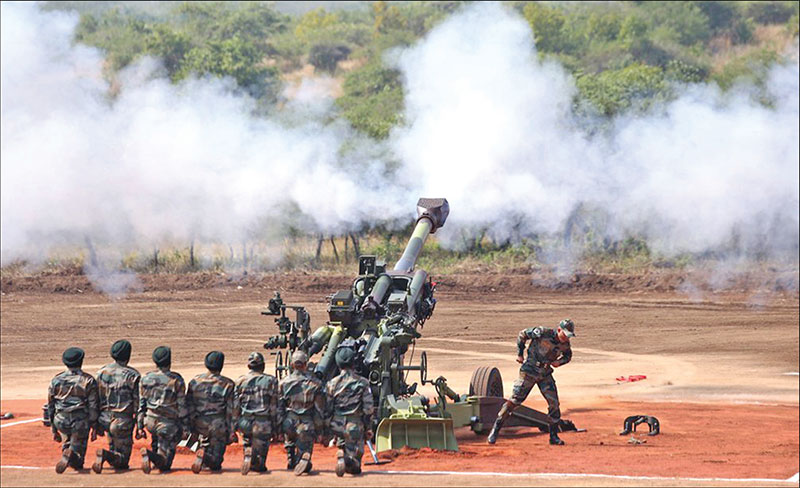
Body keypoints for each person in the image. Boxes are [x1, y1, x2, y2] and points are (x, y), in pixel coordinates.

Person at [487, 319, 576, 446]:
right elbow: (522, 334)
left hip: (545, 374)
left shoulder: (565, 344)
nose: (566, 338)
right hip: (529, 371)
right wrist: (520, 354)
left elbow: (568, 356)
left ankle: (553, 436)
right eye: (565, 335)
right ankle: (495, 430)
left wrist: (559, 362)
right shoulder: (542, 332)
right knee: (514, 401)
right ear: (559, 330)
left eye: (569, 336)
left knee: (554, 404)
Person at [48, 347, 99, 473]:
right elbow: (93, 405)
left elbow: (51, 405)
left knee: (67, 442)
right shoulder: (88, 380)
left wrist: (53, 428)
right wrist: (94, 425)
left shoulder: (56, 380)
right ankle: (72, 456)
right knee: (79, 458)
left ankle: (67, 452)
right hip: (80, 420)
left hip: (61, 419)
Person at [92, 339, 140, 473]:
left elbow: (95, 399)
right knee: (122, 461)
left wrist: (95, 424)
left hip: (104, 418)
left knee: (113, 445)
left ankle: (109, 454)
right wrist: (139, 424)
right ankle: (106, 455)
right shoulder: (133, 375)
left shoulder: (101, 372)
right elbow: (138, 403)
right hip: (122, 421)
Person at [138, 345, 188, 473]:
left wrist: (139, 426)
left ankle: (155, 453)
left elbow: (141, 404)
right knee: (165, 464)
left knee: (157, 438)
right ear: (169, 361)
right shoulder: (176, 380)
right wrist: (185, 427)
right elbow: (182, 406)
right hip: (167, 424)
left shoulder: (146, 378)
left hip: (150, 421)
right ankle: (151, 455)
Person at [325, 346, 374, 477]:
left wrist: (328, 427)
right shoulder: (363, 383)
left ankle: (341, 450)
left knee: (343, 439)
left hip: (337, 425)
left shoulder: (331, 384)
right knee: (356, 467)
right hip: (355, 425)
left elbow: (327, 408)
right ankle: (349, 460)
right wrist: (368, 428)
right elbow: (368, 408)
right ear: (354, 363)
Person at [187, 351, 237, 474]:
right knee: (216, 463)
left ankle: (202, 453)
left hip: (199, 423)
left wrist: (190, 427)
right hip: (217, 425)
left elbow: (189, 406)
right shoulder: (228, 384)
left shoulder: (194, 382)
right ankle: (205, 457)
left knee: (203, 442)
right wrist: (231, 431)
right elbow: (231, 410)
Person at [278, 350, 325, 476]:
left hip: (289, 422)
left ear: (292, 365)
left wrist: (279, 429)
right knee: (305, 445)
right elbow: (319, 411)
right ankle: (303, 457)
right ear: (305, 364)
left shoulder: (282, 383)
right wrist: (320, 431)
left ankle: (291, 457)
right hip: (306, 424)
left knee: (290, 439)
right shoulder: (315, 384)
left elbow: (279, 408)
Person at [234, 352, 278, 475]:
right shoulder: (271, 381)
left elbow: (236, 405)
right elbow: (274, 406)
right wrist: (275, 426)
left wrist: (235, 424)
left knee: (247, 439)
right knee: (262, 447)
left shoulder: (240, 381)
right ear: (263, 366)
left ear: (249, 366)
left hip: (245, 420)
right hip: (262, 421)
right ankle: (258, 463)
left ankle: (248, 451)